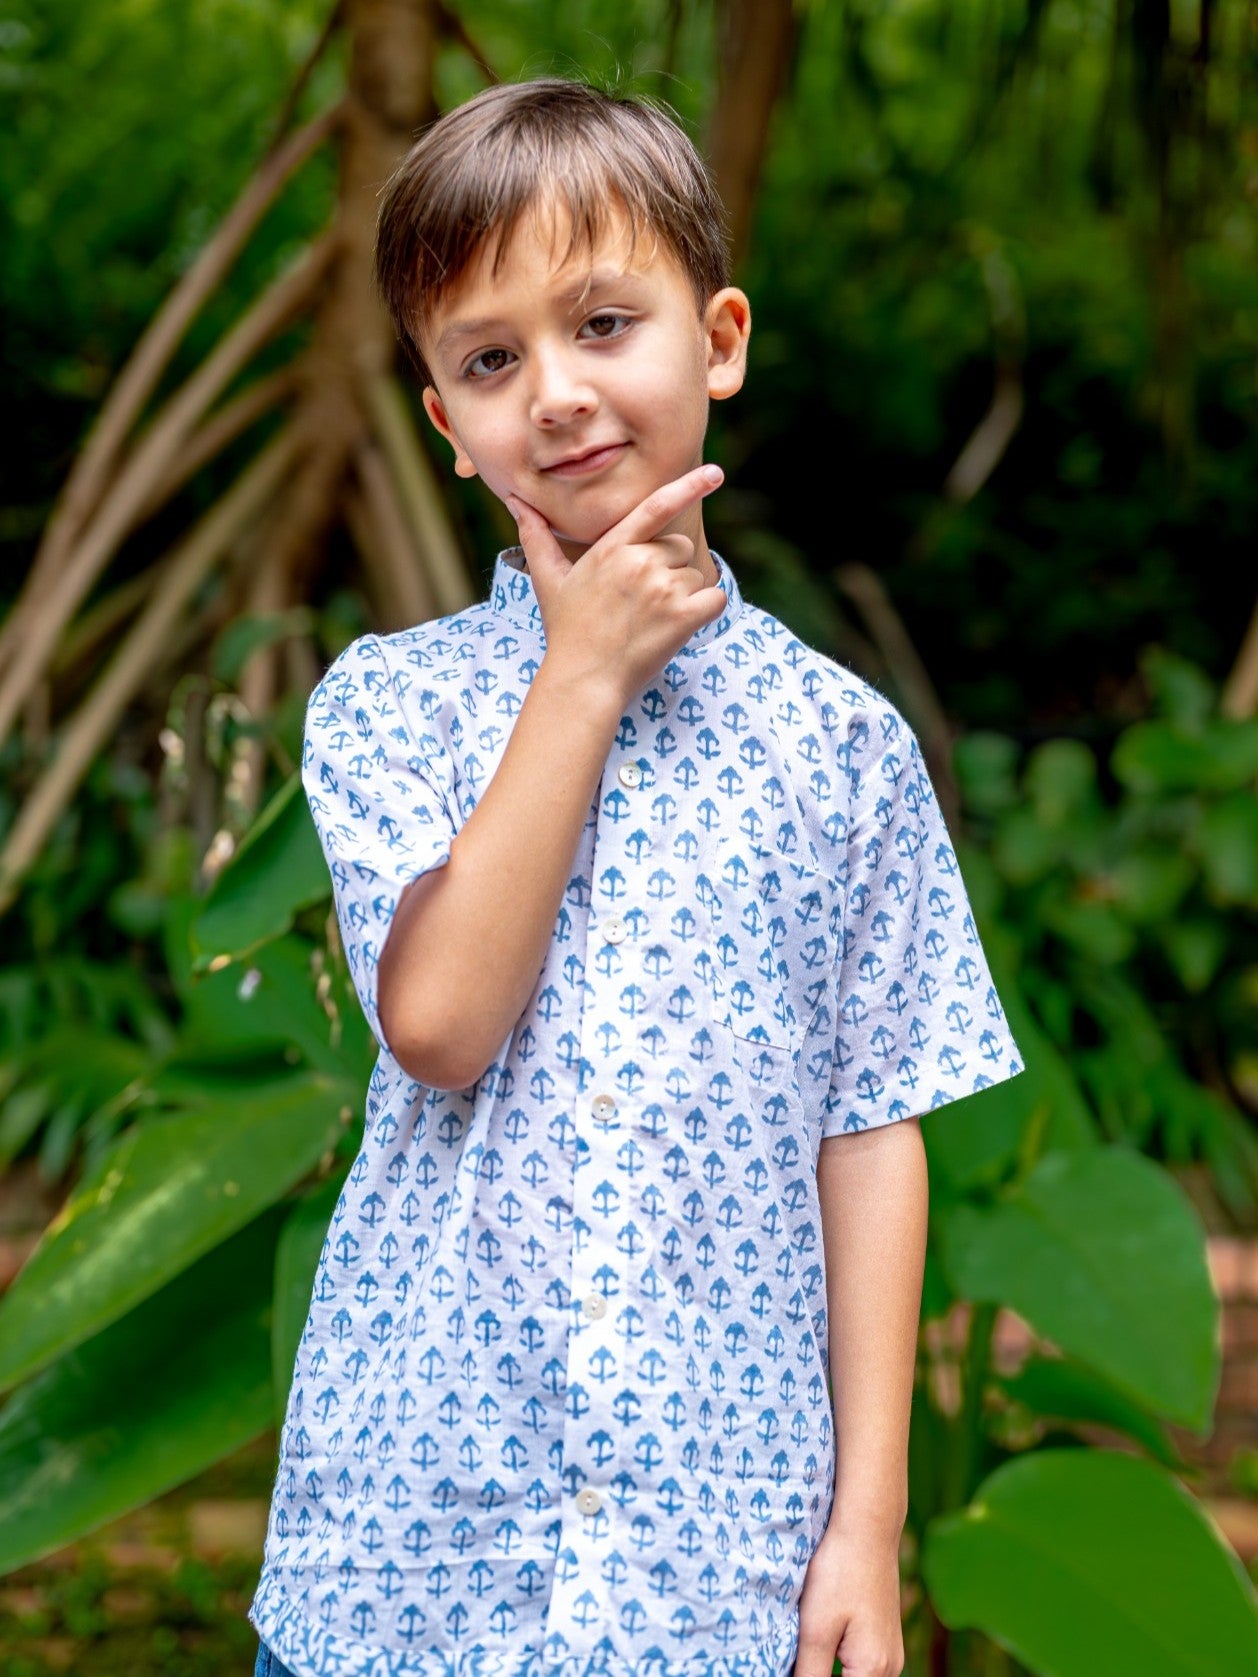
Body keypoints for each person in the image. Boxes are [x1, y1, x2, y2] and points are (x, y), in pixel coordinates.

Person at [248, 76, 1023, 1677]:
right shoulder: (390, 705)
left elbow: (870, 1132)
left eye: (604, 324)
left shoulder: (844, 747)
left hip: (711, 1565)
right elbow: (441, 1025)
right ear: (443, 425)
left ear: (717, 340)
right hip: (412, 1555)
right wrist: (582, 677)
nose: (556, 393)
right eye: (489, 360)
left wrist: (865, 1527)